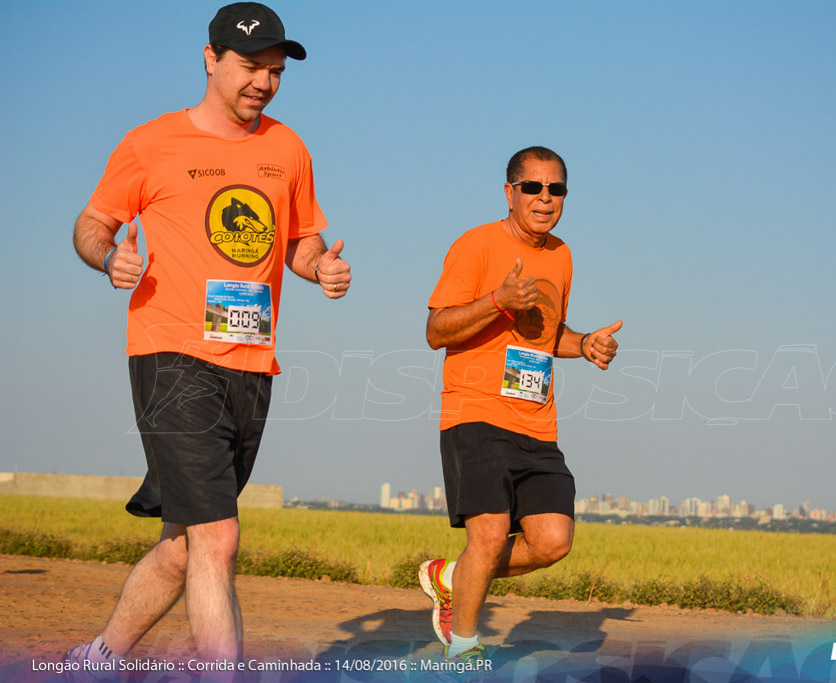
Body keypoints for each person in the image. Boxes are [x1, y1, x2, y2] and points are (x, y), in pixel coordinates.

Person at [66, 3, 350, 676]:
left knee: (183, 545)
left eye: (276, 72)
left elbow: (299, 243)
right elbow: (92, 222)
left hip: (251, 364)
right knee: (219, 536)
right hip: (171, 355)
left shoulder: (289, 148)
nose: (264, 83)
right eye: (252, 67)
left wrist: (321, 268)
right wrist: (110, 258)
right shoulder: (150, 142)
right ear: (210, 58)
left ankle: (98, 656)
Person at [420, 146, 622, 664]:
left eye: (556, 189)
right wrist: (496, 300)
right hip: (475, 412)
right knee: (487, 534)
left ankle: (450, 576)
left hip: (536, 421)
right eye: (533, 187)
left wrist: (587, 344)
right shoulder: (476, 244)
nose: (545, 198)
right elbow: (435, 330)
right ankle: (462, 649)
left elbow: (546, 335)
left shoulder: (562, 255)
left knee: (553, 541)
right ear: (510, 192)